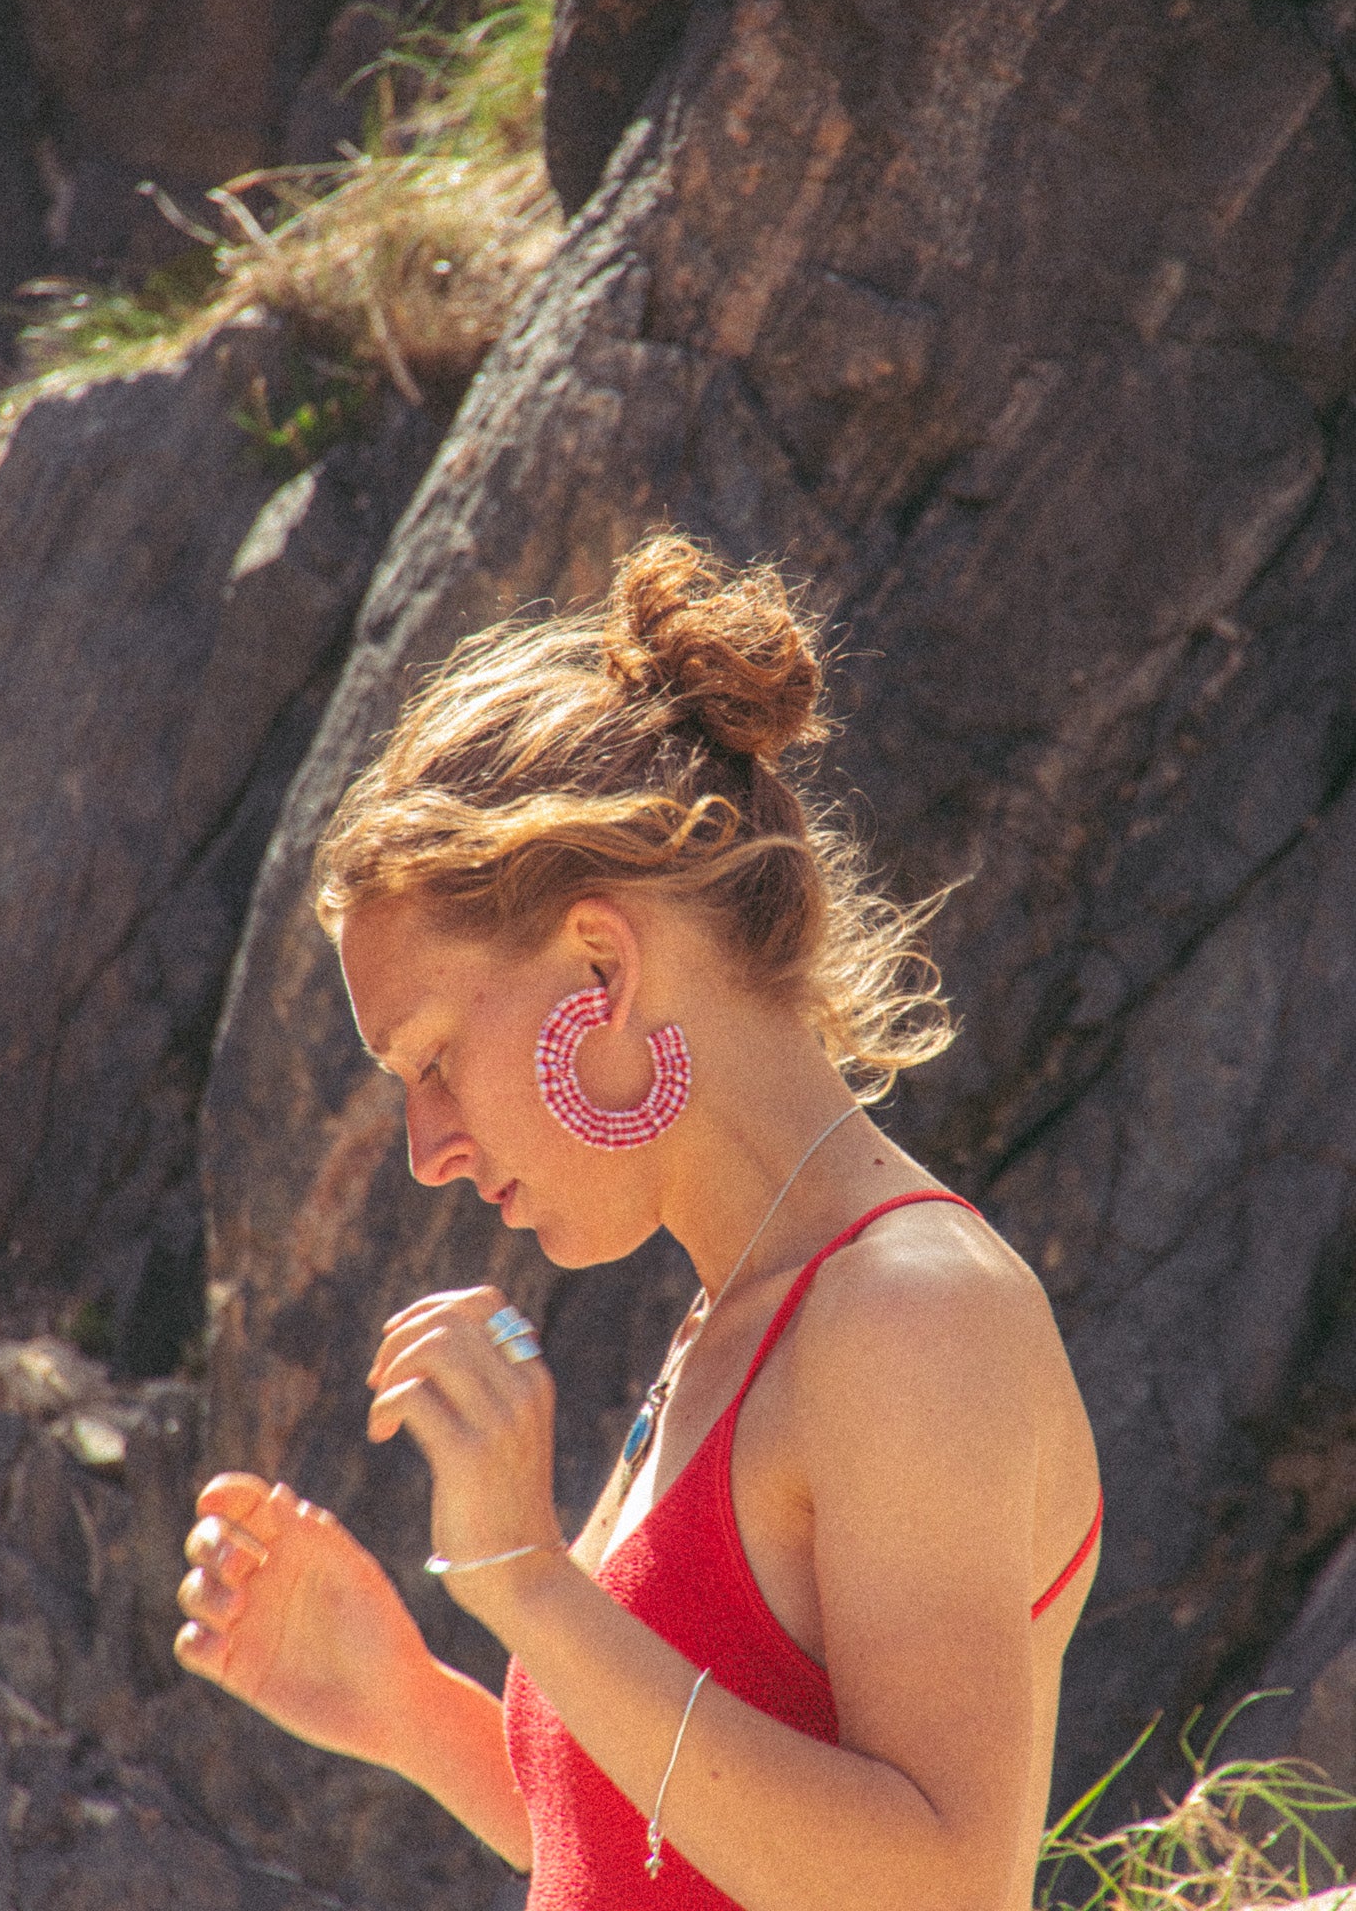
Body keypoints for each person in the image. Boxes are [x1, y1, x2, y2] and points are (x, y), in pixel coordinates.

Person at [175, 535, 1101, 1911]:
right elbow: (666, 1856)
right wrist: (406, 1703)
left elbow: (937, 1885)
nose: (427, 1151)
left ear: (599, 967)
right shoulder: (734, 1323)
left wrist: (529, 1583)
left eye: (432, 1059)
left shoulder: (910, 1307)